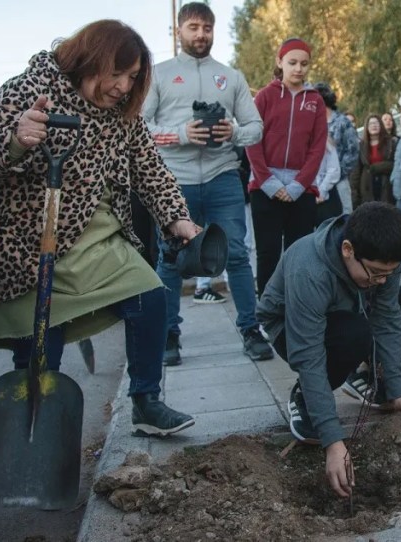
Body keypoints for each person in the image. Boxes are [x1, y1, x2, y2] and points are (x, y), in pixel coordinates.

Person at [0, 19, 196, 436]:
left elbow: (150, 169)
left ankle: (147, 402)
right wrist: (17, 139)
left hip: (98, 240)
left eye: (133, 78)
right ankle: (30, 430)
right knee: (40, 355)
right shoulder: (28, 89)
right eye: (119, 74)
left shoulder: (122, 115)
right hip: (29, 245)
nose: (125, 88)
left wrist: (176, 215)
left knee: (151, 298)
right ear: (92, 60)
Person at [255, 202, 401, 497]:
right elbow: (308, 352)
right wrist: (333, 440)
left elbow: (389, 317)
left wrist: (397, 391)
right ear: (347, 249)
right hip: (290, 326)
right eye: (376, 273)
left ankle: (368, 377)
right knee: (356, 333)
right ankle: (306, 397)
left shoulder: (381, 255)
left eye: (389, 273)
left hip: (353, 314)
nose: (381, 280)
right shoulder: (309, 270)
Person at [143, 2, 272, 365]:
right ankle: (169, 335)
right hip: (173, 182)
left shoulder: (231, 77)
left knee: (235, 255)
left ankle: (251, 329)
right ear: (179, 31)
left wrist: (233, 132)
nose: (201, 34)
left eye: (207, 28)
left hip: (222, 177)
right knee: (170, 258)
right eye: (194, 27)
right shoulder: (159, 74)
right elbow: (139, 128)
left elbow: (256, 128)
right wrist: (180, 134)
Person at [247, 38, 328, 298]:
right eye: (292, 62)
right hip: (264, 186)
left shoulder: (316, 101)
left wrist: (297, 185)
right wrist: (269, 182)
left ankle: (296, 305)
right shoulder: (264, 96)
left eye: (304, 64)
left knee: (299, 253)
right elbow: (252, 140)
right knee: (268, 252)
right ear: (279, 62)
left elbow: (317, 148)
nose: (298, 69)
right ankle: (267, 307)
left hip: (301, 189)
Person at [314, 82, 360, 221]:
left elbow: (353, 150)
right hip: (316, 183)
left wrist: (338, 173)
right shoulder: (312, 123)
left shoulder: (342, 122)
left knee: (344, 219)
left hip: (339, 182)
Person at [352, 115, 396, 205]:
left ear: (381, 125)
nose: (374, 125)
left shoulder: (390, 143)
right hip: (367, 186)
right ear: (367, 127)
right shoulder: (361, 146)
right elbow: (356, 171)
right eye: (371, 123)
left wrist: (375, 168)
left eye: (376, 123)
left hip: (386, 185)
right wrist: (355, 193)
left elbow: (395, 164)